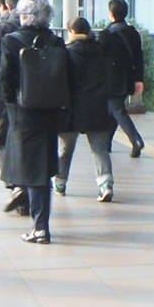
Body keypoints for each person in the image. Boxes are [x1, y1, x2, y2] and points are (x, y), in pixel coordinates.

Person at [0, 0, 65, 244]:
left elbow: (6, 79)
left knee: (31, 168)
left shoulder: (12, 41)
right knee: (43, 169)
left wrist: (10, 106)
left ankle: (40, 227)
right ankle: (40, 222)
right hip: (49, 112)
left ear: (24, 15)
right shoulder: (56, 42)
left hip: (23, 113)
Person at [56, 17, 116, 202]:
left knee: (65, 149)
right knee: (99, 149)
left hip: (71, 108)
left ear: (71, 32)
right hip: (96, 106)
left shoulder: (66, 54)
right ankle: (105, 184)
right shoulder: (100, 52)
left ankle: (60, 182)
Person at [0, 0, 32, 215]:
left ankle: (16, 187)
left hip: (7, 95)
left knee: (2, 140)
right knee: (25, 142)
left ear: (7, 5)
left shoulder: (1, 27)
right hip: (33, 95)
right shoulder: (37, 28)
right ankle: (25, 193)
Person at [99, 0, 145, 158]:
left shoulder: (106, 35)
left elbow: (100, 59)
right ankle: (106, 144)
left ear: (111, 14)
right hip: (128, 78)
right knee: (113, 110)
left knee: (117, 110)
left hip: (111, 79)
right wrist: (139, 79)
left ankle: (136, 140)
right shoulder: (133, 33)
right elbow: (139, 57)